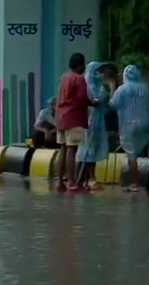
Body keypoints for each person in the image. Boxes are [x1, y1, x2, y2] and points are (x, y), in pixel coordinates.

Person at [109, 65, 149, 192]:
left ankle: (135, 183)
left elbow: (112, 105)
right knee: (145, 150)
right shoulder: (145, 88)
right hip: (147, 125)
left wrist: (112, 90)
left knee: (132, 155)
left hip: (129, 126)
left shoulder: (122, 90)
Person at [55, 53, 89, 192]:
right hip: (74, 117)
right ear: (81, 65)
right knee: (72, 150)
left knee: (62, 150)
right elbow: (82, 99)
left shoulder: (64, 77)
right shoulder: (79, 79)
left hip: (61, 117)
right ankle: (71, 182)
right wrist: (93, 103)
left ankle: (59, 182)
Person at [76, 61, 111, 190]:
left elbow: (105, 104)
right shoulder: (87, 87)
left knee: (94, 149)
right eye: (99, 71)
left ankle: (89, 178)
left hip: (98, 122)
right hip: (88, 121)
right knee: (87, 149)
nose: (101, 74)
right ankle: (85, 178)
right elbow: (93, 102)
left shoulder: (100, 86)